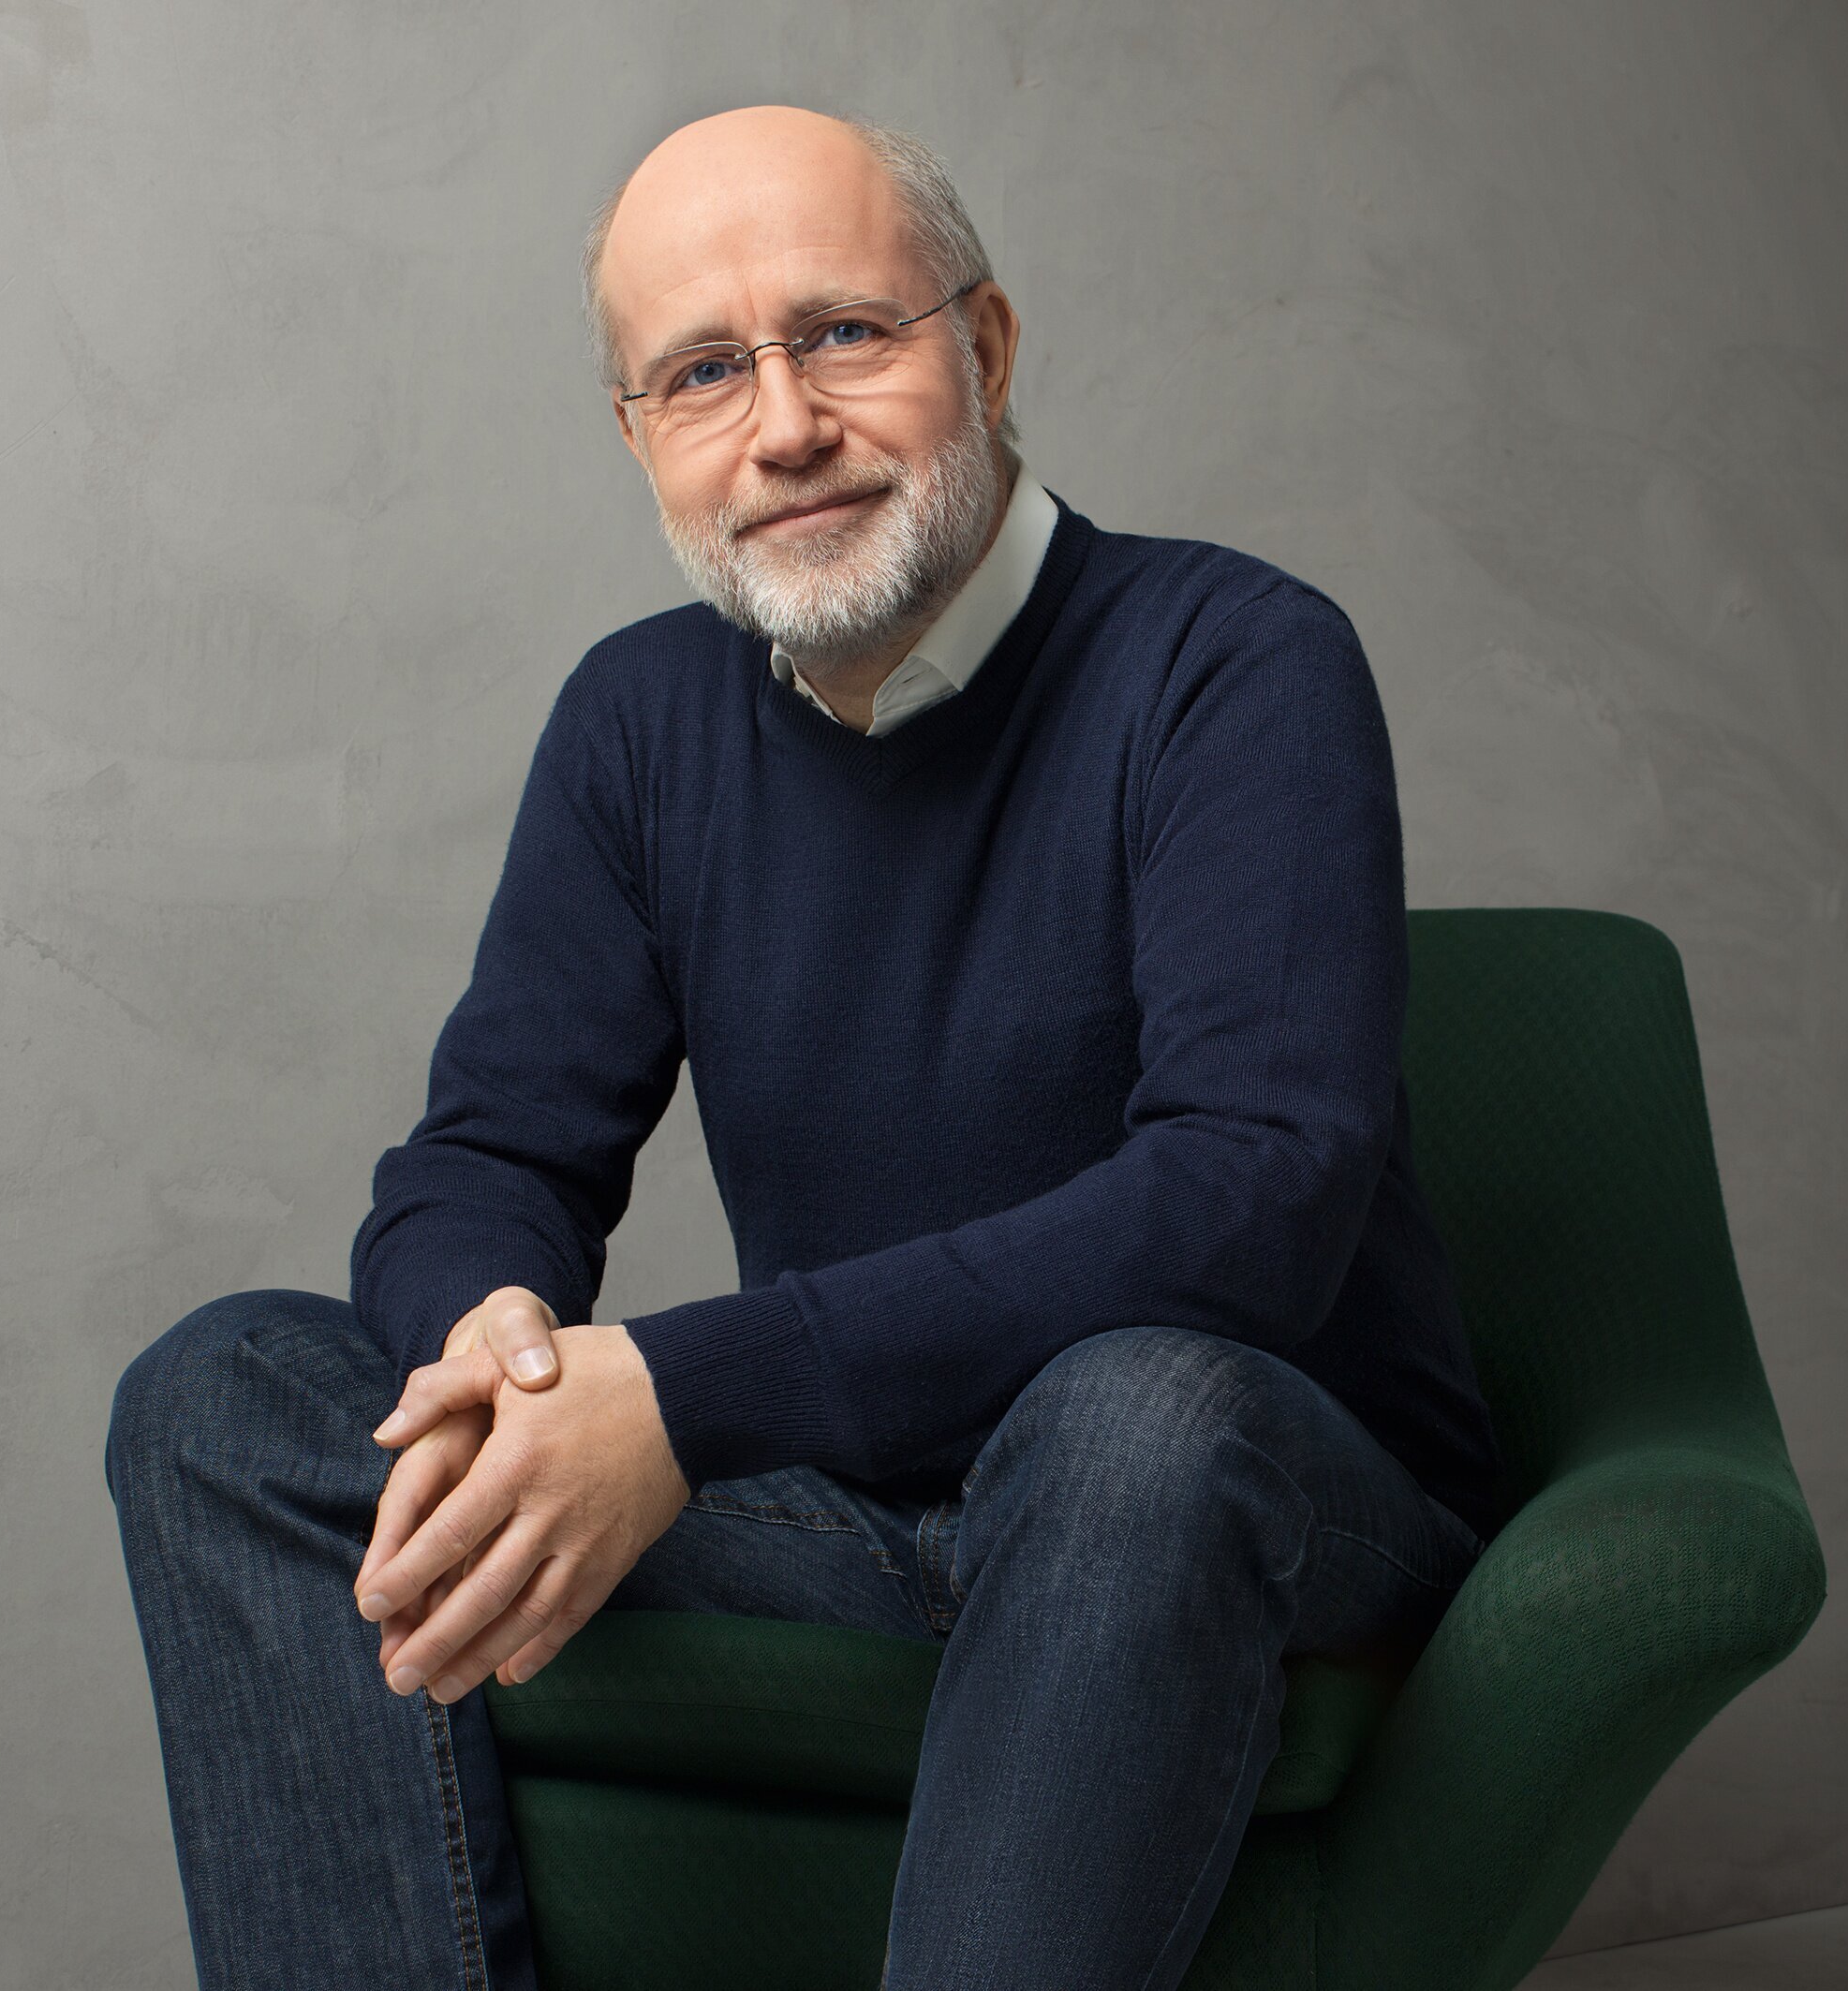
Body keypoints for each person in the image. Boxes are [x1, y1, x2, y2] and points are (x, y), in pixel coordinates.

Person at [105, 104, 1503, 1991]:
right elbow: (491, 1156)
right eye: (702, 372)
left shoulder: (1232, 658)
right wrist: (500, 1358)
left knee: (1136, 1413)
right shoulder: (636, 722)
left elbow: (1251, 1199)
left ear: (985, 346)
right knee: (227, 1395)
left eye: (843, 332)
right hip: (855, 1510)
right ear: (638, 436)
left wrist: (683, 1396)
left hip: (1247, 1502)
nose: (783, 426)